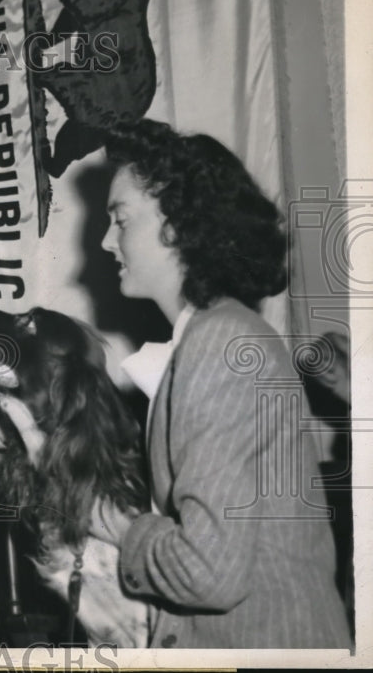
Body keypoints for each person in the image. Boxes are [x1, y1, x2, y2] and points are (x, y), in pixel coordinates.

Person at [77, 120, 351, 648]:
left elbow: (208, 572)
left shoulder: (220, 342)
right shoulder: (217, 336)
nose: (107, 241)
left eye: (121, 219)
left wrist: (120, 526)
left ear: (177, 225)